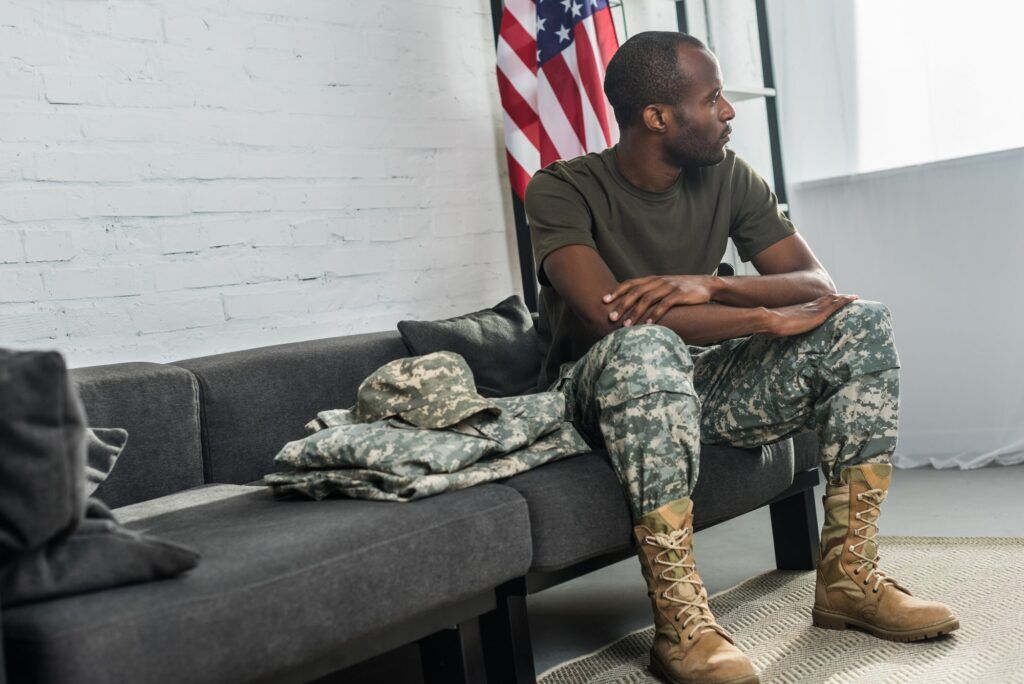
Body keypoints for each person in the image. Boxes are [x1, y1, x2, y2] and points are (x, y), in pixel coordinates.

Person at [524, 31, 958, 684]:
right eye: (715, 97)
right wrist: (759, 316)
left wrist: (714, 284)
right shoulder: (560, 188)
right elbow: (605, 312)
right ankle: (681, 628)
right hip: (599, 401)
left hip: (698, 383)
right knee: (643, 343)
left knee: (861, 323)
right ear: (659, 117)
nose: (728, 112)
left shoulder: (726, 173)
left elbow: (816, 285)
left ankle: (848, 580)